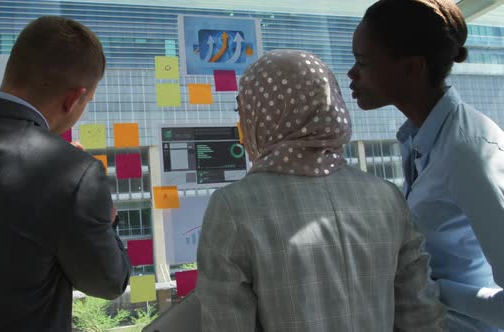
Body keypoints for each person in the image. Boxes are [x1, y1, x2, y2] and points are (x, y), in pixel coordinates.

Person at [196, 49, 446, 332]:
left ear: (262, 114)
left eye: (242, 110)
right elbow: (421, 317)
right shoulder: (386, 197)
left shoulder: (233, 208)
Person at [0, 16, 131, 332]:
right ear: (73, 99)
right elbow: (108, 282)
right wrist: (107, 218)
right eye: (87, 101)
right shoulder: (74, 172)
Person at [348, 0, 504, 330]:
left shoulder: (468, 152)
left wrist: (427, 290)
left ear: (412, 68)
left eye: (362, 62)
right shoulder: (422, 140)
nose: (351, 74)